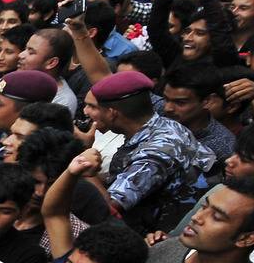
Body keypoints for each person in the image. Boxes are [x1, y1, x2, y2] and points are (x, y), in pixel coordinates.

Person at [85, 71, 208, 231]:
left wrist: (83, 164)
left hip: (152, 236)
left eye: (94, 107)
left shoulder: (155, 154)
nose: (86, 112)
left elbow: (107, 208)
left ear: (111, 113)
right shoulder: (165, 125)